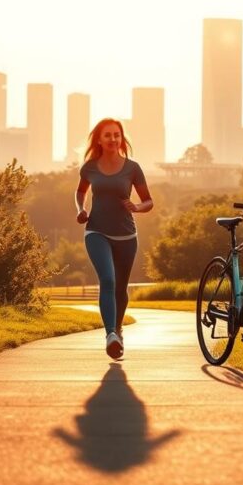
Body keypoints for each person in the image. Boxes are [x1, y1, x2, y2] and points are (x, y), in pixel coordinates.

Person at [75, 118, 153, 359]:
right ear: (99, 139)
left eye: (116, 135)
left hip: (127, 236)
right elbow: (80, 191)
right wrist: (81, 209)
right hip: (96, 231)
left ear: (121, 138)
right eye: (107, 135)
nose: (112, 139)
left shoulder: (133, 168)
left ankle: (118, 331)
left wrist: (137, 207)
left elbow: (149, 201)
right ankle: (110, 334)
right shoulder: (89, 167)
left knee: (120, 287)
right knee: (107, 280)